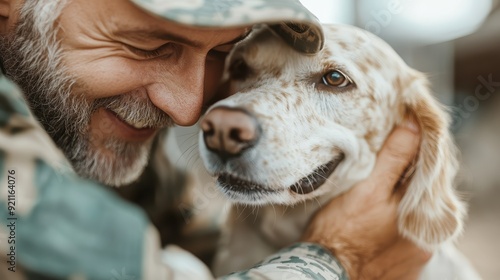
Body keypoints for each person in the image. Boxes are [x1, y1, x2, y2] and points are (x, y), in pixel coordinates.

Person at [0, 0, 429, 279]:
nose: (190, 111)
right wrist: (336, 256)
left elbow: (196, 233)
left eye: (224, 54)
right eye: (145, 46)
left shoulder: (87, 125)